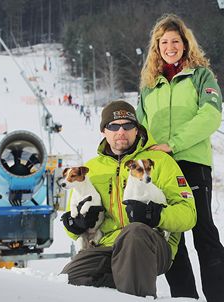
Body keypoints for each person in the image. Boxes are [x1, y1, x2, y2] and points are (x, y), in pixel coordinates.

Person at [136, 14, 224, 302]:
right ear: (157, 47)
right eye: (164, 42)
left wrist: (173, 144)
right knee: (171, 234)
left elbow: (210, 116)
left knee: (203, 232)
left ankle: (221, 298)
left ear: (185, 44)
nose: (170, 46)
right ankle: (184, 297)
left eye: (175, 41)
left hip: (192, 163)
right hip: (162, 169)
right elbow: (141, 127)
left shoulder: (201, 76)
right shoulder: (149, 86)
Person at [60, 100, 197, 298]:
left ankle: (137, 295)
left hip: (151, 243)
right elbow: (74, 212)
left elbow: (188, 214)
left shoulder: (160, 162)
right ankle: (113, 287)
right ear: (104, 131)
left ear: (136, 129)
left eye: (128, 125)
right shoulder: (91, 169)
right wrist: (74, 224)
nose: (121, 131)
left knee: (134, 233)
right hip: (104, 246)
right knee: (70, 280)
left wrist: (155, 215)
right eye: (114, 126)